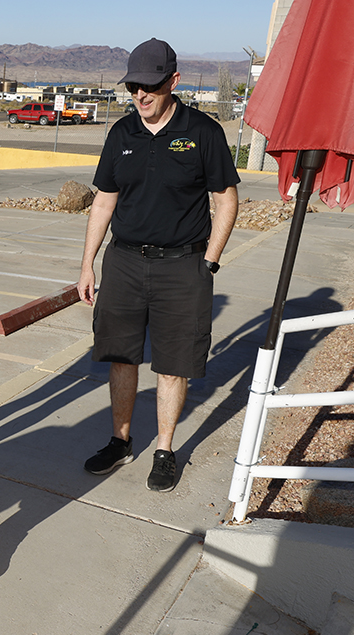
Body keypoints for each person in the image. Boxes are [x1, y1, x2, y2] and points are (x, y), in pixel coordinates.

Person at [77, 38, 239, 492]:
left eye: (149, 86)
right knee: (121, 358)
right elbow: (104, 201)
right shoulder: (121, 134)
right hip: (125, 262)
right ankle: (120, 440)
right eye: (133, 86)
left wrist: (209, 261)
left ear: (173, 81)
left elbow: (226, 200)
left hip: (183, 267)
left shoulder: (203, 132)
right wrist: (87, 264)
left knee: (173, 365)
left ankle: (165, 449)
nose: (140, 96)